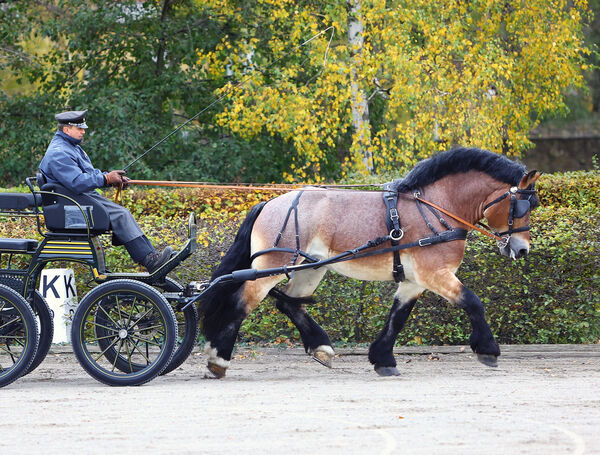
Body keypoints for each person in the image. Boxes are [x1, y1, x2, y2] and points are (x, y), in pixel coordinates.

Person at [39, 109, 173, 273]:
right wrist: (106, 179)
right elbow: (77, 182)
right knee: (121, 214)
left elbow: (89, 174)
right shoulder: (59, 153)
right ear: (67, 129)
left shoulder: (71, 147)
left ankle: (152, 257)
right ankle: (150, 260)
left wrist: (111, 178)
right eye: (79, 128)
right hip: (72, 207)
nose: (83, 131)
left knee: (122, 213)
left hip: (80, 200)